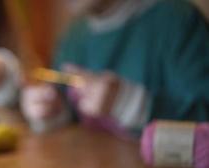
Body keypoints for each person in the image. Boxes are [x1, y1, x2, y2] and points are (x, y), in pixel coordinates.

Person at [21, 0, 209, 137]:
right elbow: (66, 108)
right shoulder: (75, 34)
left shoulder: (177, 20)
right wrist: (51, 109)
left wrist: (128, 102)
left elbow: (203, 114)